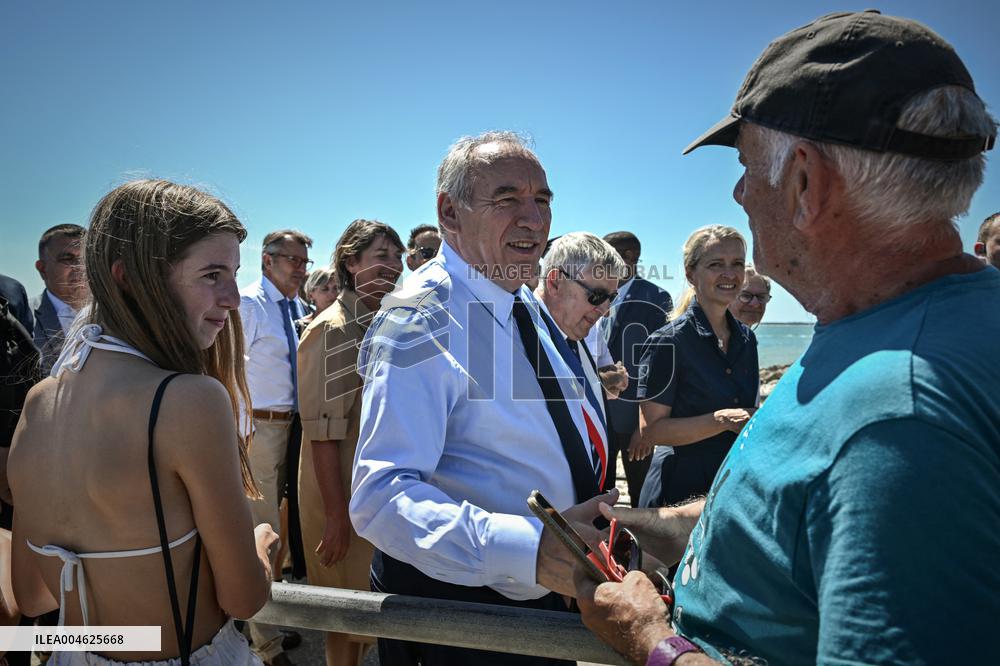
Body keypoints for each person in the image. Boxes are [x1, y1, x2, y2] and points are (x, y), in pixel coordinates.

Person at [574, 11, 999, 665]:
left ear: (804, 183)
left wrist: (650, 642)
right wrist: (672, 527)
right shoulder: (889, 326)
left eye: (747, 166)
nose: (741, 192)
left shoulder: (898, 412)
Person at [349, 131, 616, 666]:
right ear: (450, 212)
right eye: (507, 199)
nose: (535, 219)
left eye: (542, 200)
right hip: (462, 622)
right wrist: (529, 549)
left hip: (538, 603)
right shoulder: (418, 319)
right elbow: (380, 498)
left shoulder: (522, 301)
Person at [8, 179, 277, 665]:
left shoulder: (38, 404)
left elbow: (32, 598)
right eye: (212, 274)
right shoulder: (188, 402)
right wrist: (262, 546)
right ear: (128, 277)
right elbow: (244, 599)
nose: (234, 298)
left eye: (234, 274)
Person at [297, 219, 403, 666]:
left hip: (365, 492)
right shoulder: (334, 328)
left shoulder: (377, 322)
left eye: (397, 258)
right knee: (345, 618)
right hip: (338, 492)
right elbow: (322, 434)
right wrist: (337, 517)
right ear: (350, 262)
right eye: (381, 257)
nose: (394, 267)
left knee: (369, 614)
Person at [629, 226, 757, 511]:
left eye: (737, 264)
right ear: (690, 274)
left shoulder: (747, 340)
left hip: (730, 484)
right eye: (715, 265)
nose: (729, 274)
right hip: (678, 492)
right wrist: (722, 419)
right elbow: (652, 432)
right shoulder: (667, 342)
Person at [239, 230, 312, 665]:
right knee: (260, 532)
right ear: (267, 261)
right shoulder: (250, 304)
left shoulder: (297, 308)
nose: (301, 268)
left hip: (293, 430)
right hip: (259, 431)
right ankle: (264, 645)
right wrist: (242, 432)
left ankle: (264, 620)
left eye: (304, 260)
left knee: (280, 532)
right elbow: (226, 369)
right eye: (292, 260)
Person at [534, 232, 626, 491]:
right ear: (554, 283)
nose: (605, 310)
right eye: (596, 296)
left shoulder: (582, 332)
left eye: (612, 298)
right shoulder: (517, 335)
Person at [598, 231, 673, 506]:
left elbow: (660, 367)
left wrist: (645, 426)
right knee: (599, 496)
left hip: (635, 422)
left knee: (642, 498)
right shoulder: (599, 293)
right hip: (601, 416)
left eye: (605, 254)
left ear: (628, 258)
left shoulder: (656, 298)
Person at [31, 224, 89, 375]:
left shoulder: (117, 316)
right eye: (67, 258)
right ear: (43, 269)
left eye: (86, 258)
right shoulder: (25, 319)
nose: (80, 267)